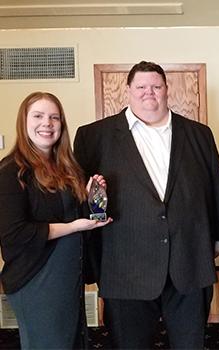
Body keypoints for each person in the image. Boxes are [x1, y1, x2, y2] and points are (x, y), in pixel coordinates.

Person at [73, 60, 219, 349]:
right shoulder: (93, 136)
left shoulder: (199, 134)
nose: (150, 92)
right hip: (125, 269)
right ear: (128, 90)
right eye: (142, 87)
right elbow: (78, 200)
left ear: (166, 90)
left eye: (156, 86)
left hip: (189, 265)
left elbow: (216, 190)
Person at [0, 92, 111, 349]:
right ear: (23, 121)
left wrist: (92, 194)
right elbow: (14, 234)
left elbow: (74, 214)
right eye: (38, 116)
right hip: (37, 278)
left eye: (54, 117)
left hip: (68, 275)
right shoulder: (11, 172)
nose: (47, 124)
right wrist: (73, 227)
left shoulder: (66, 167)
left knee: (72, 343)